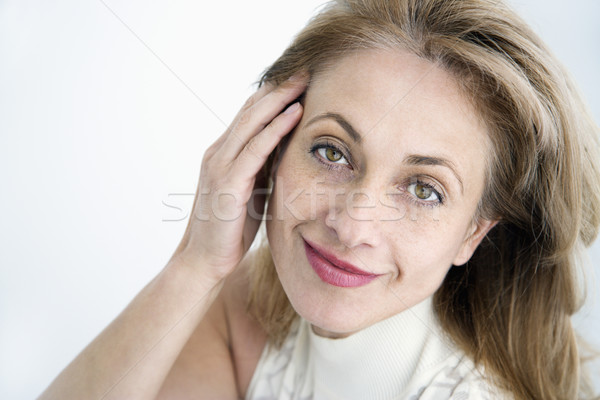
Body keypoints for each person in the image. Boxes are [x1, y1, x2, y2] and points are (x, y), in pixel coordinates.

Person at [40, 0, 600, 399]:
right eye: (333, 153)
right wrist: (195, 265)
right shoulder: (253, 308)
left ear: (472, 234)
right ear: (271, 149)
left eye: (424, 190)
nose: (352, 225)